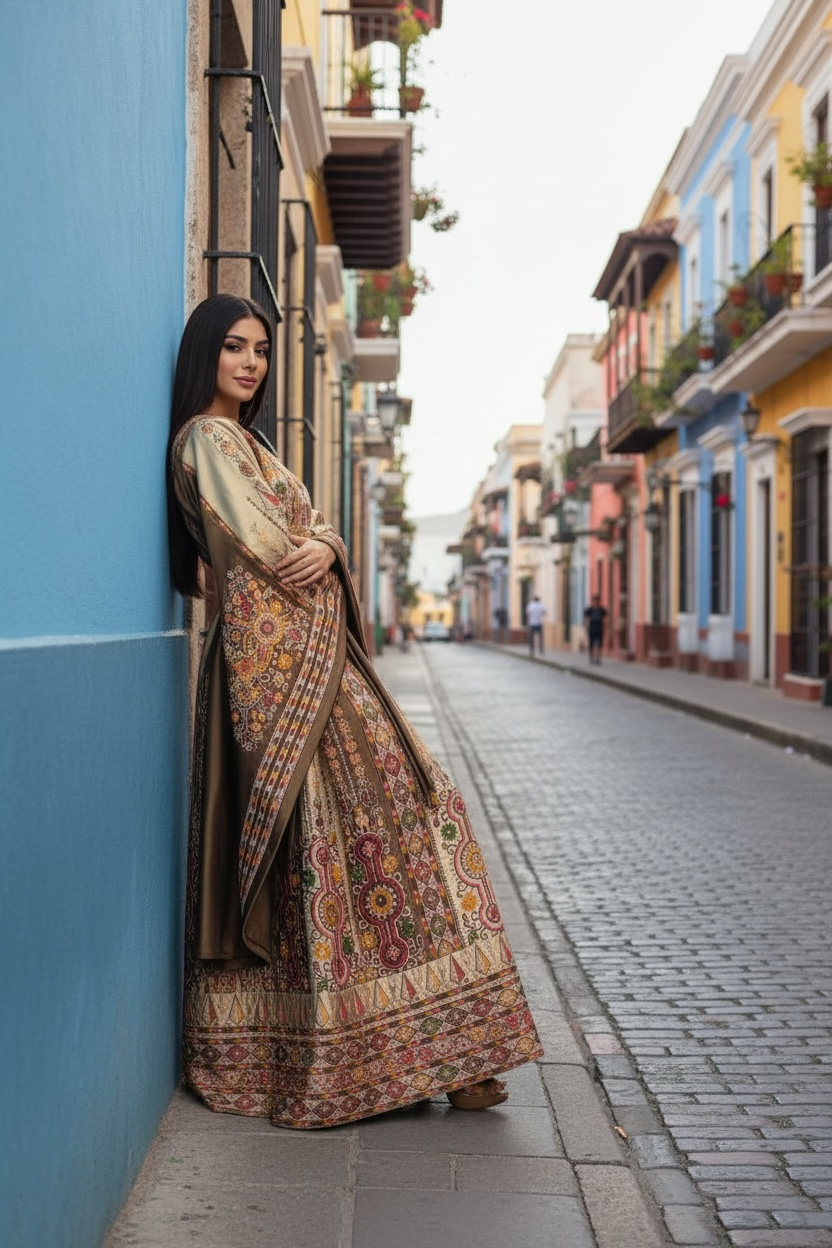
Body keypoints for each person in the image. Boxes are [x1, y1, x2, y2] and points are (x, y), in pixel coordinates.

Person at [166, 295, 542, 1130]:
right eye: (235, 347)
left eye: (262, 350)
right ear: (205, 355)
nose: (252, 363)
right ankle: (372, 1054)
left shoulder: (250, 442)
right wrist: (322, 543)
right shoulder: (207, 441)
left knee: (373, 837)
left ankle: (434, 1050)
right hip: (278, 674)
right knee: (352, 843)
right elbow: (276, 549)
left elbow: (315, 536)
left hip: (312, 664)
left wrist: (330, 541)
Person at [584, 594, 608, 664]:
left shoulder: (602, 610)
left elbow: (605, 619)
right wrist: (586, 628)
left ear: (599, 601)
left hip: (599, 629)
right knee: (591, 645)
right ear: (592, 601)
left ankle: (598, 658)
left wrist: (606, 628)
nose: (596, 602)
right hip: (591, 629)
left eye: (597, 601)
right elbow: (586, 619)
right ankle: (591, 658)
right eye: (594, 601)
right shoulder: (589, 610)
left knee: (599, 645)